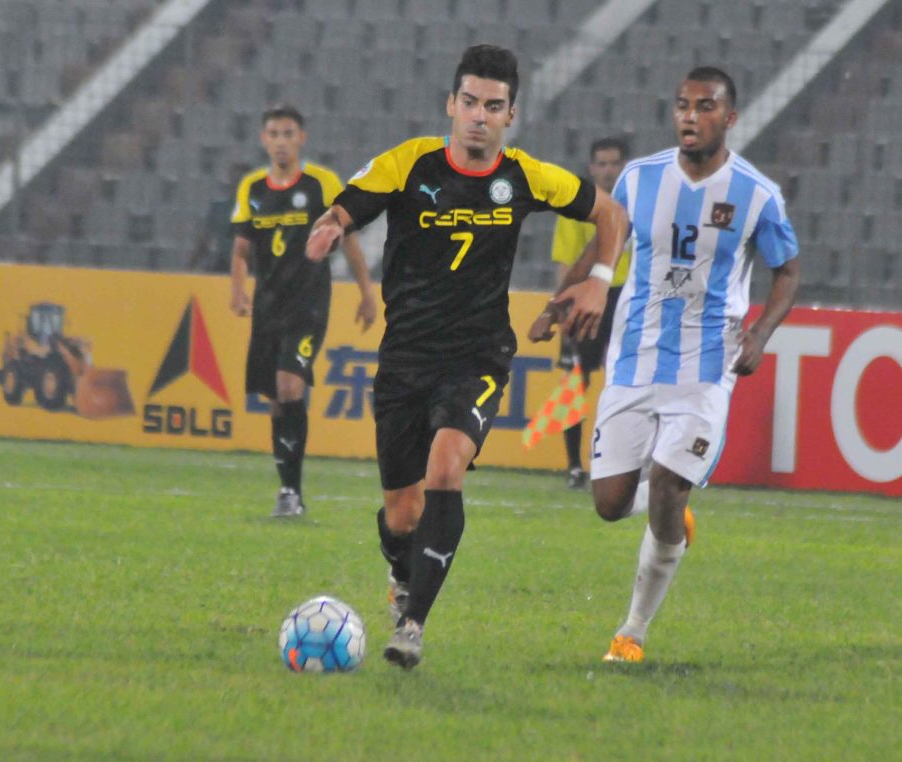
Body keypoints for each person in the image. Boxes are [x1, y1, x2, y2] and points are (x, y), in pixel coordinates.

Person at [306, 45, 628, 670]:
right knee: (402, 516)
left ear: (511, 114)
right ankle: (403, 575)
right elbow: (351, 203)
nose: (480, 115)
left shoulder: (526, 177)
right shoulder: (408, 164)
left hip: (477, 356)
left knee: (446, 467)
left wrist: (599, 278)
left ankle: (412, 627)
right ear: (451, 105)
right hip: (404, 360)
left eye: (494, 106)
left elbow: (609, 212)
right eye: (471, 102)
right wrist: (330, 225)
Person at [540, 67, 800, 663]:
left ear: (729, 118)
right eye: (682, 105)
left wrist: (759, 332)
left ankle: (630, 633)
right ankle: (670, 509)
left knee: (667, 486)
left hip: (706, 371)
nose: (690, 116)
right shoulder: (640, 177)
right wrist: (568, 295)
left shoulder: (756, 194)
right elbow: (605, 243)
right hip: (633, 360)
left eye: (705, 107)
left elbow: (788, 269)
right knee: (609, 504)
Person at [230, 104, 377, 517]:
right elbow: (241, 248)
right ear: (264, 139)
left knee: (291, 385)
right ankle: (287, 489)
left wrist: (367, 292)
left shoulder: (321, 184)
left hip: (309, 301)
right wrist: (238, 290)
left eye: (288, 133)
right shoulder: (252, 189)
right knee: (277, 398)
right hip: (267, 304)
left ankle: (292, 494)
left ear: (301, 138)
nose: (281, 141)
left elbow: (347, 239)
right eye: (274, 134)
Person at [550, 137, 631, 489]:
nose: (608, 170)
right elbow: (566, 263)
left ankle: (621, 463)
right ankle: (573, 465)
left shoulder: (634, 204)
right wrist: (562, 307)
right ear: (591, 167)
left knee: (626, 383)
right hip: (586, 295)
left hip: (626, 296)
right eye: (602, 163)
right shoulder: (576, 207)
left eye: (614, 163)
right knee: (574, 382)